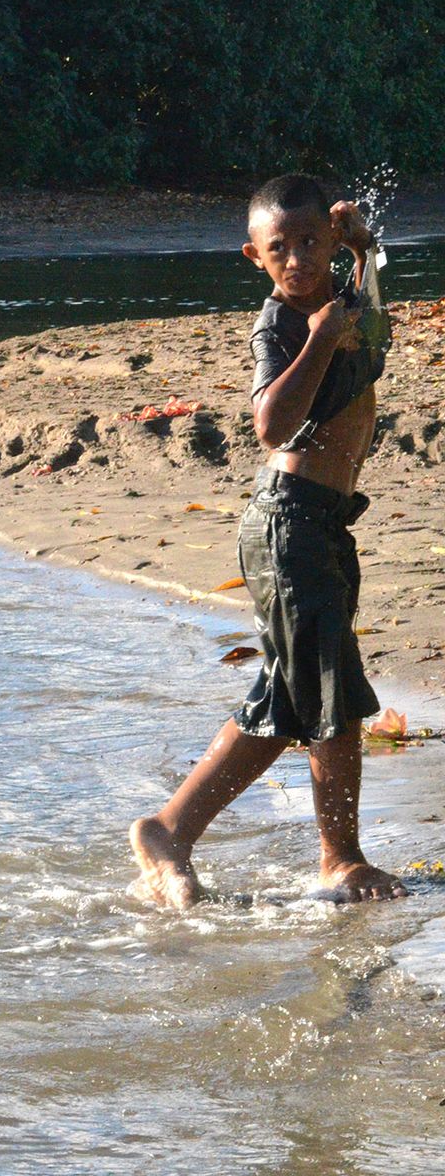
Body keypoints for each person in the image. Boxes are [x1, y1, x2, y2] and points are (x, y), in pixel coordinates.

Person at [129, 175, 406, 907]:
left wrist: (364, 250)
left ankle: (168, 830)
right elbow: (270, 425)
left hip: (320, 525)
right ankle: (340, 859)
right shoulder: (282, 324)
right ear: (254, 257)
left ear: (331, 239)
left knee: (290, 695)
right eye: (279, 250)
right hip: (288, 525)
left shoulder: (343, 299)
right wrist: (318, 340)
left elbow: (375, 323)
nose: (298, 260)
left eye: (312, 242)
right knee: (330, 700)